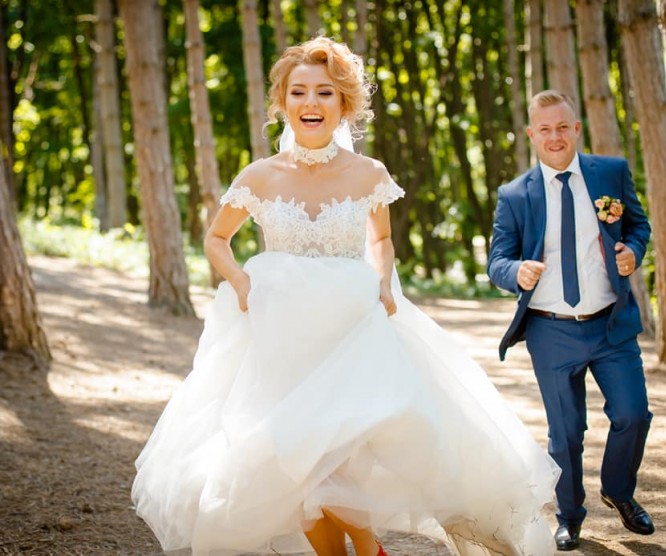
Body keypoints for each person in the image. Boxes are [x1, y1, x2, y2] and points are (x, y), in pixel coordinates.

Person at [131, 37, 559, 556]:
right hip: (279, 335)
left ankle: (367, 544)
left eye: (325, 92)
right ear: (283, 102)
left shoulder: (368, 174)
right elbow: (216, 239)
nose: (311, 102)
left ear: (344, 104)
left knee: (340, 453)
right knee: (292, 460)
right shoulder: (259, 176)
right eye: (299, 92)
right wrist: (240, 281)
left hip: (350, 328)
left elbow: (381, 240)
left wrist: (383, 282)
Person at [487, 90, 654, 551]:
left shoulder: (611, 173)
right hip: (551, 328)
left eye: (563, 127)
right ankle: (570, 516)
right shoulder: (515, 194)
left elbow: (638, 226)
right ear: (531, 134)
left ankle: (619, 491)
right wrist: (516, 272)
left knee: (633, 414)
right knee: (565, 434)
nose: (555, 136)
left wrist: (632, 251)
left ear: (576, 129)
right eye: (545, 129)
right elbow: (497, 260)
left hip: (610, 323)